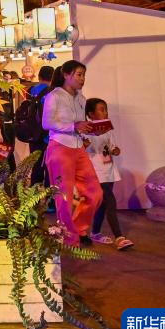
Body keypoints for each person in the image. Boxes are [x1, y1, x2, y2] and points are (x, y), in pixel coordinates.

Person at [42, 60, 102, 247]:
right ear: (66, 75)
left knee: (95, 192)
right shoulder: (54, 96)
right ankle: (69, 238)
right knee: (64, 198)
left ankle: (78, 228)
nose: (82, 79)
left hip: (78, 148)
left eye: (84, 75)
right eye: (79, 74)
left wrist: (91, 130)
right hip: (60, 148)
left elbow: (80, 125)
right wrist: (73, 126)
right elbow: (46, 123)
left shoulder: (81, 99)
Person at [85, 98, 133, 250]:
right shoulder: (86, 130)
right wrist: (86, 142)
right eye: (101, 110)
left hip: (108, 169)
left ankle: (95, 232)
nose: (105, 112)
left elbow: (112, 147)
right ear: (91, 114)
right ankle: (119, 237)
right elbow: (83, 149)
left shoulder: (108, 129)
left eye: (106, 109)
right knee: (110, 200)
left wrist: (115, 150)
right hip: (97, 170)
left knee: (104, 203)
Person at [29, 66, 54, 186]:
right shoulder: (53, 92)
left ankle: (34, 193)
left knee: (36, 165)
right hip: (47, 135)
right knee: (49, 168)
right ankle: (48, 194)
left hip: (33, 134)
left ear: (39, 76)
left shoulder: (31, 90)